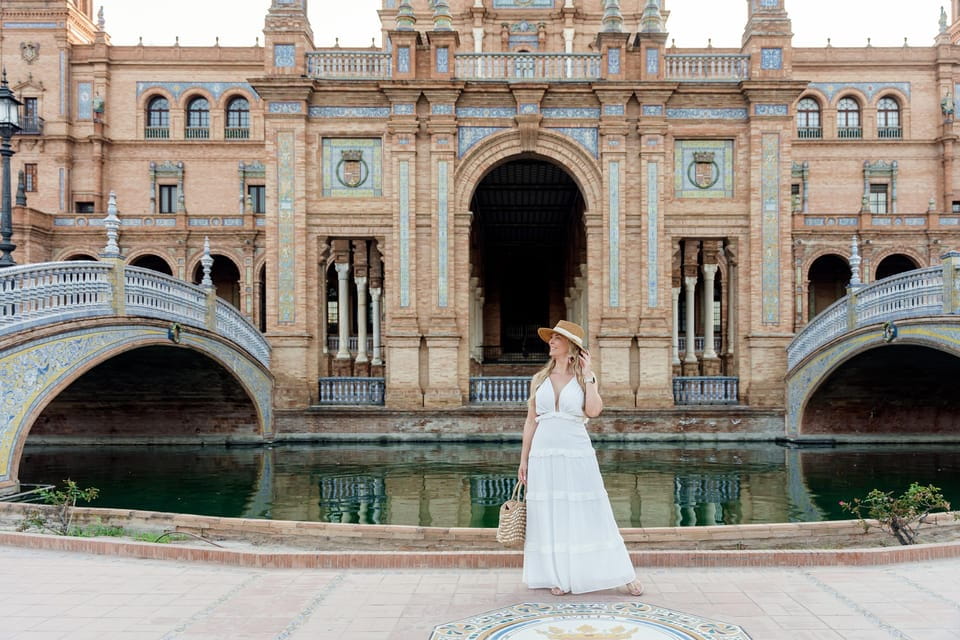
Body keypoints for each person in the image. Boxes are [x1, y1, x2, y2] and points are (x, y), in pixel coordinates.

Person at [518, 320, 644, 596]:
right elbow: (530, 421)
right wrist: (523, 460)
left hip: (576, 452)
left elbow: (594, 411)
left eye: (557, 339)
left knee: (591, 510)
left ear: (571, 346)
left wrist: (588, 376)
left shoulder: (585, 377)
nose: (551, 342)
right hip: (543, 453)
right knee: (550, 512)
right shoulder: (539, 379)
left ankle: (624, 573)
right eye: (550, 338)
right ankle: (558, 575)